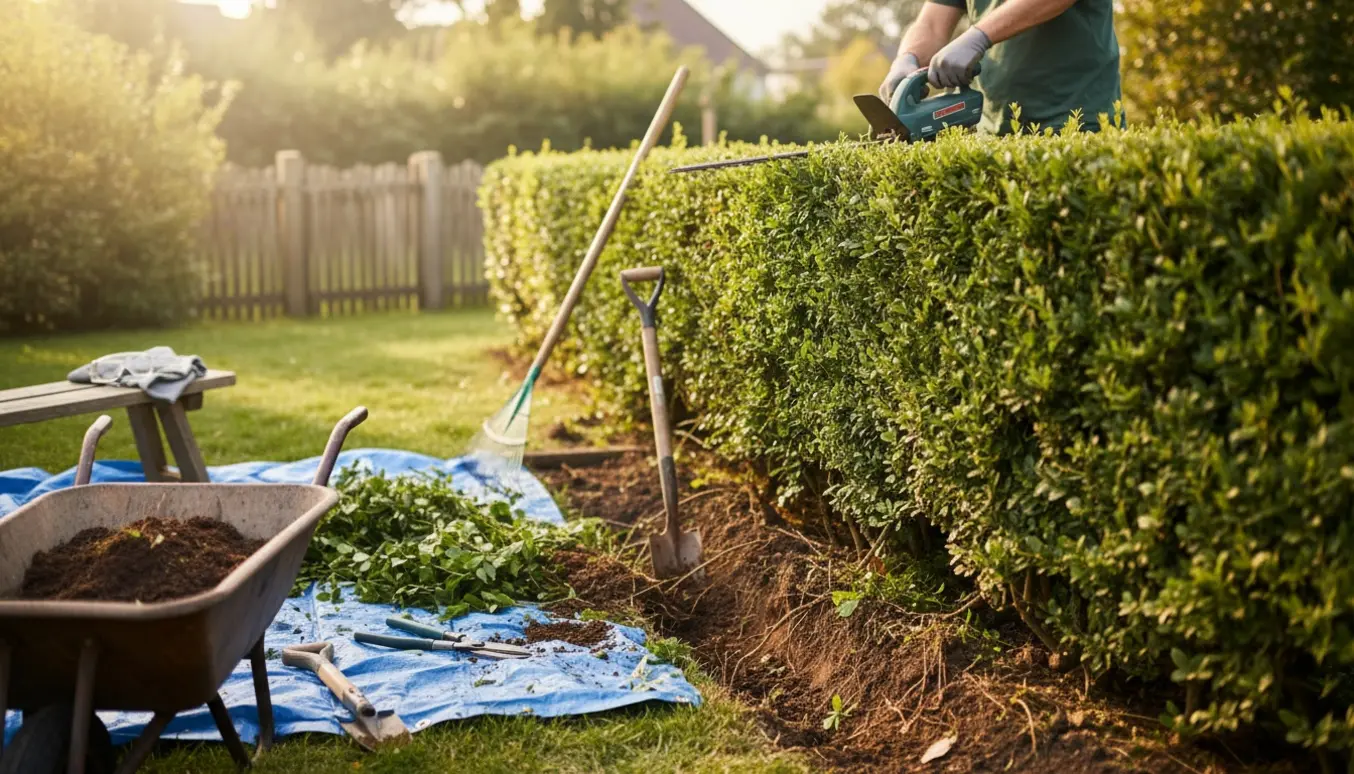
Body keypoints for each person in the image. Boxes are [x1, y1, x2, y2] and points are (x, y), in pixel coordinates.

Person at [878, 0, 1121, 135]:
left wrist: (979, 36)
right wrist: (907, 58)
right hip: (992, 130)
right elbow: (931, 23)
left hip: (1076, 122)